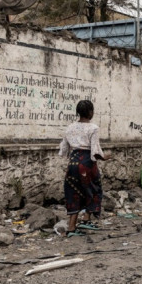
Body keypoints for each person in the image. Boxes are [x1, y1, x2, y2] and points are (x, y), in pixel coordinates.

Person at [58, 100, 110, 237]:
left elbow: (63, 149)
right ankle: (86, 218)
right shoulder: (93, 128)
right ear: (91, 112)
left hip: (73, 163)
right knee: (93, 189)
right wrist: (105, 157)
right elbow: (95, 151)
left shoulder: (69, 128)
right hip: (87, 164)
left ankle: (71, 227)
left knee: (73, 192)